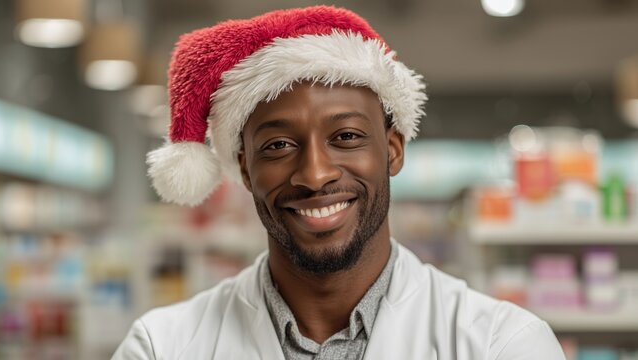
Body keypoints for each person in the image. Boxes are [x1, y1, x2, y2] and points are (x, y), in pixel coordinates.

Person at [113, 6, 565, 360]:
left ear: (392, 150)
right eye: (278, 146)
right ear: (245, 170)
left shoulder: (502, 345)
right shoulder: (161, 347)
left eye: (346, 137)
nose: (314, 174)